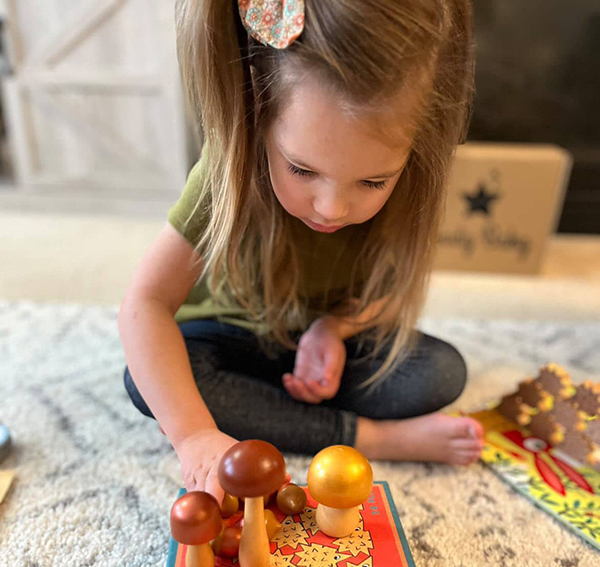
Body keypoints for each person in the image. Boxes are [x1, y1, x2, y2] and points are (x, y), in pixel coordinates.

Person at [119, 0, 484, 505]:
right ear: (258, 110)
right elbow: (144, 306)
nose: (333, 208)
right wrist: (195, 437)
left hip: (316, 351)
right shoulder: (229, 167)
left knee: (440, 373)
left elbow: (391, 289)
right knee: (148, 382)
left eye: (373, 181)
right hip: (226, 338)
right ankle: (373, 438)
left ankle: (275, 413)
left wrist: (333, 330)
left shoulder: (414, 180)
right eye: (302, 170)